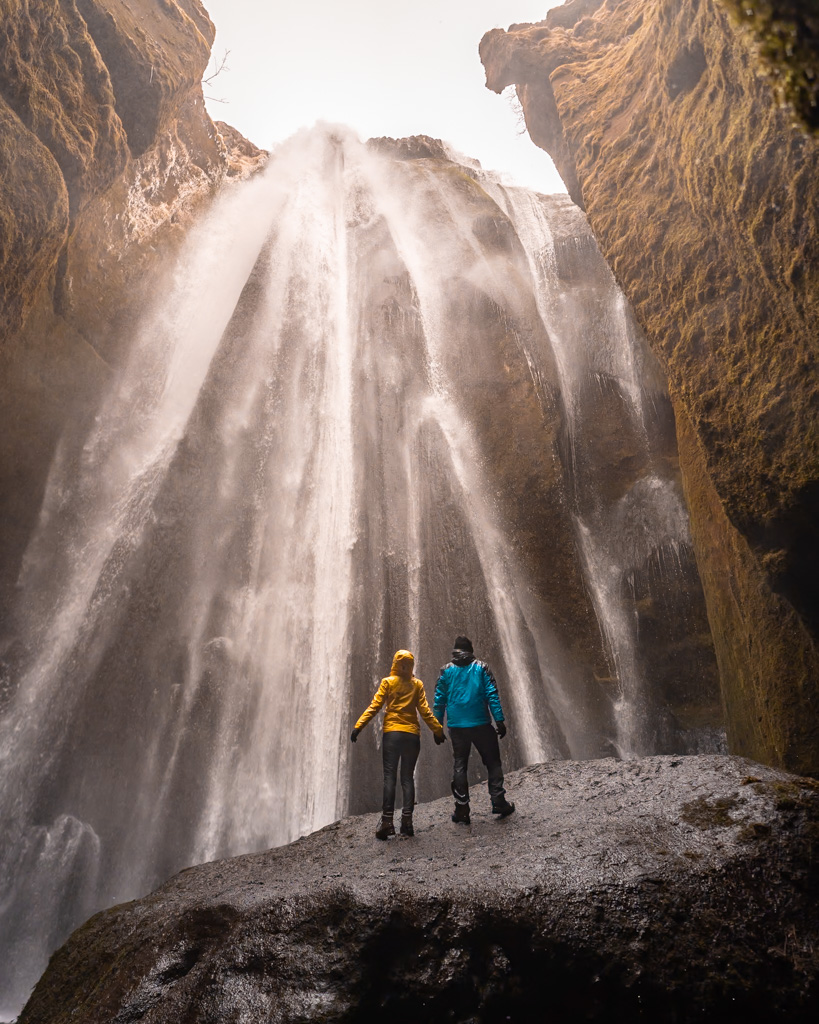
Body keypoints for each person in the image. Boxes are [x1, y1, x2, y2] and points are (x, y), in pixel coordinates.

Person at [351, 649, 445, 839]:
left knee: (389, 777)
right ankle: (407, 823)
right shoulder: (416, 684)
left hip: (392, 735)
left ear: (395, 663)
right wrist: (438, 730)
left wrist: (358, 727)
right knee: (407, 778)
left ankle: (387, 822)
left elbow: (374, 706)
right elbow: (425, 712)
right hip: (411, 735)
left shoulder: (388, 682)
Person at [433, 635, 515, 824]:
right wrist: (499, 720)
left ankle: (462, 809)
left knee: (460, 764)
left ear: (455, 651)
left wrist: (437, 728)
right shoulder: (481, 667)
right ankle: (498, 801)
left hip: (457, 726)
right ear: (471, 650)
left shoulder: (446, 671)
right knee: (493, 762)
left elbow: (439, 701)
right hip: (481, 723)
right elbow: (492, 694)